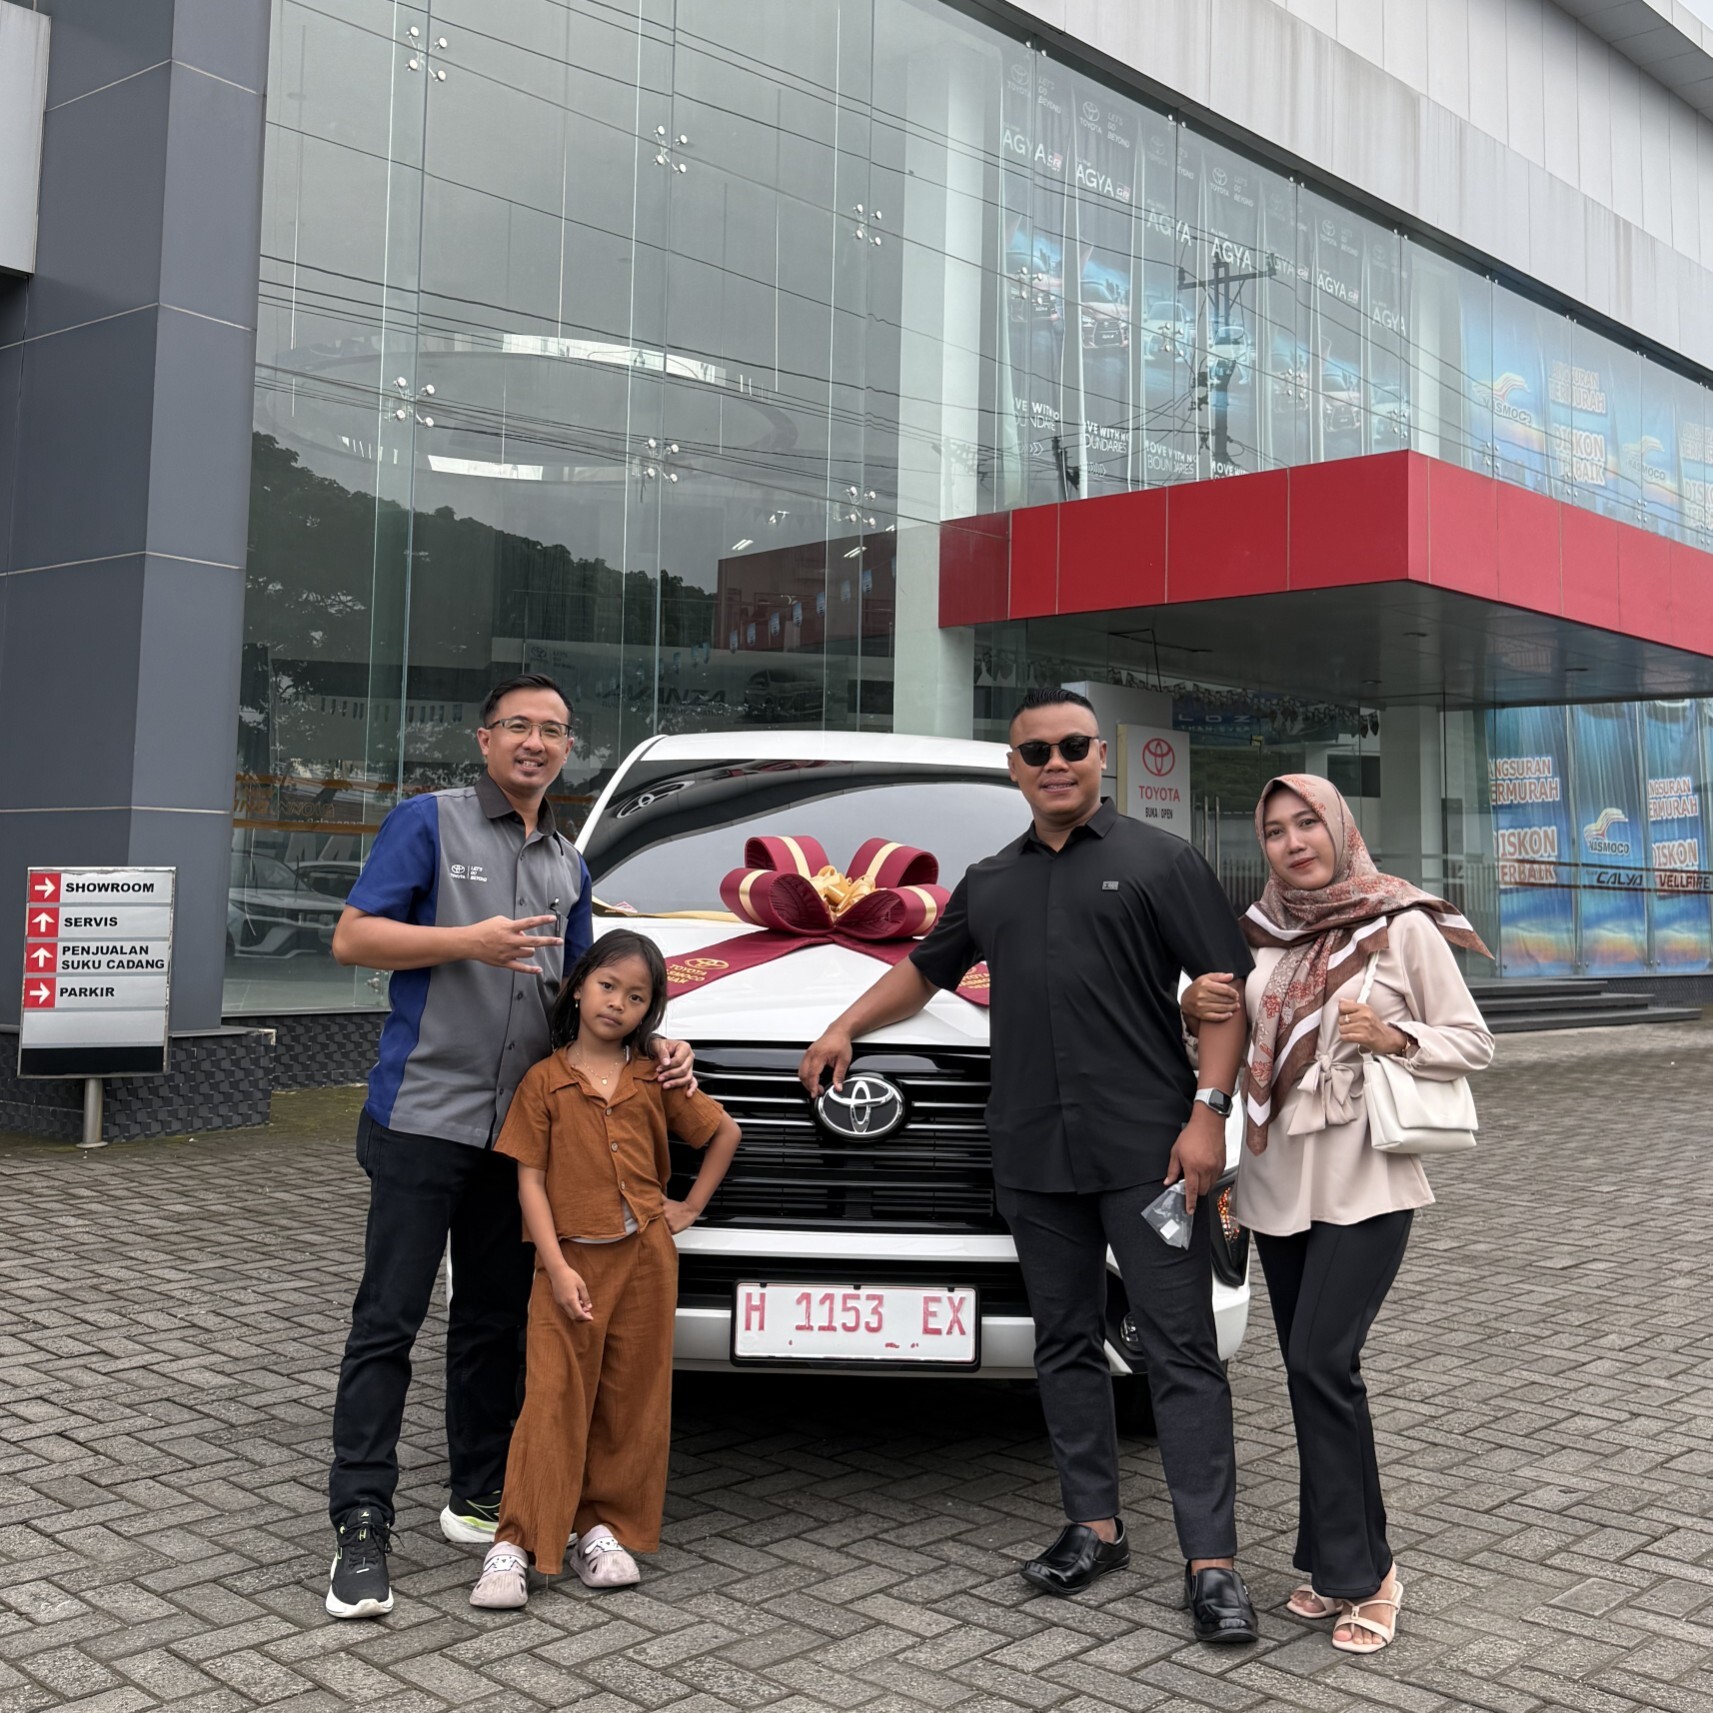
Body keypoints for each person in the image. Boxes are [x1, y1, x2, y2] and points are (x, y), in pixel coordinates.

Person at [799, 688, 1262, 1645]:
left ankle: (1211, 1564)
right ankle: (1094, 1525)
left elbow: (1224, 996)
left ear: (1100, 756)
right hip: (1031, 1152)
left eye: (1071, 746)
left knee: (1177, 1350)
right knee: (1063, 1341)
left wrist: (1208, 1116)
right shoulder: (991, 879)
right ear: (1013, 767)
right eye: (1035, 751)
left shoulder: (1161, 860)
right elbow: (924, 970)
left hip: (1147, 1150)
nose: (1055, 763)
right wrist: (844, 1024)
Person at [322, 674, 695, 1621]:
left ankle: (476, 1494)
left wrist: (661, 1043)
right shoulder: (429, 821)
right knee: (388, 1321)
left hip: (518, 1141)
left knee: (494, 1322)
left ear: (569, 748)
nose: (536, 741)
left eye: (553, 730)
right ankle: (360, 1521)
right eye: (518, 725)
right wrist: (466, 940)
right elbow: (353, 939)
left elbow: (590, 998)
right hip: (421, 1118)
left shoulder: (570, 865)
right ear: (484, 738)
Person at [1181, 774, 1493, 1655]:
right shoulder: (1254, 934)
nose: (1293, 842)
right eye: (1275, 831)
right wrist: (1191, 1010)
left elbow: (1472, 1039)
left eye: (1307, 822)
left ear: (1340, 828)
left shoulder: (1398, 922)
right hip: (1277, 1180)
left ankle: (1370, 1573)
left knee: (1323, 1362)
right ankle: (1330, 1561)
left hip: (1365, 1177)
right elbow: (1227, 1038)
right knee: (1309, 1371)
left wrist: (1393, 1037)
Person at [468, 931, 741, 1608]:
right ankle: (516, 1542)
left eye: (636, 996)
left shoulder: (655, 1076)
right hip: (571, 1264)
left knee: (630, 1399)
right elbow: (529, 1182)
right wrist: (556, 1266)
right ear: (579, 987)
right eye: (608, 985)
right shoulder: (544, 1080)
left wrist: (688, 1208)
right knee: (553, 1398)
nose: (617, 1003)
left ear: (650, 1010)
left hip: (647, 1259)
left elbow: (723, 1133)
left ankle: (602, 1528)